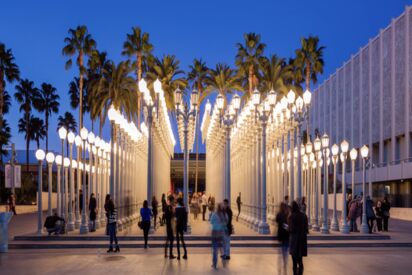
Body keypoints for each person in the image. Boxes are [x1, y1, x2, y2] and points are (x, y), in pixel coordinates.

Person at [288, 201, 308, 275]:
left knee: (294, 263)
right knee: (300, 261)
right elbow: (306, 229)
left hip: (294, 241)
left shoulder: (291, 217)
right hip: (302, 241)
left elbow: (290, 229)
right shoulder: (304, 216)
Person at [210, 203, 228, 270]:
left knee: (215, 250)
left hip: (214, 233)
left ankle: (214, 264)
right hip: (221, 233)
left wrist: (216, 224)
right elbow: (226, 222)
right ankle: (224, 262)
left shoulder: (214, 214)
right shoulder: (223, 215)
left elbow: (211, 222)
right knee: (222, 248)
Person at [276, 202, 290, 274]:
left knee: (282, 251)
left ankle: (283, 265)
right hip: (285, 234)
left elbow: (277, 221)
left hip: (281, 235)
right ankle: (284, 264)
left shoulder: (279, 214)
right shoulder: (285, 214)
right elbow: (285, 223)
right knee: (285, 251)